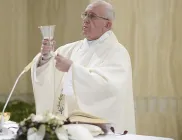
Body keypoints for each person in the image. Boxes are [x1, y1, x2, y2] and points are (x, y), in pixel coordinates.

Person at [30, 0, 136, 134]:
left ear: (108, 24)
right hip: (68, 124)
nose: (85, 20)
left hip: (100, 131)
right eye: (85, 15)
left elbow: (110, 88)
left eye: (92, 16)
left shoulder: (117, 52)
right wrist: (45, 58)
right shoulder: (69, 49)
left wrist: (72, 69)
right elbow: (47, 75)